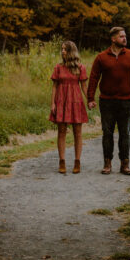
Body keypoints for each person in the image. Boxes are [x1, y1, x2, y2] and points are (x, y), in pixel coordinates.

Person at [87, 26, 130, 175]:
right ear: (113, 39)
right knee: (107, 133)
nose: (125, 38)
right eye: (121, 36)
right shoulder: (101, 57)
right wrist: (90, 98)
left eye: (125, 36)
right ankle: (107, 163)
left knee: (125, 133)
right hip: (107, 101)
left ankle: (124, 164)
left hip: (127, 101)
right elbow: (94, 78)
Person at [49, 40, 89, 174]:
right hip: (61, 101)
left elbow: (84, 86)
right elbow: (54, 86)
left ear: (71, 51)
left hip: (76, 101)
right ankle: (62, 161)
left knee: (77, 133)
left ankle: (77, 161)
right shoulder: (58, 67)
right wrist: (53, 103)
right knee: (61, 131)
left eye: (65, 49)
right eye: (62, 49)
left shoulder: (80, 67)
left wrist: (90, 100)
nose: (62, 51)